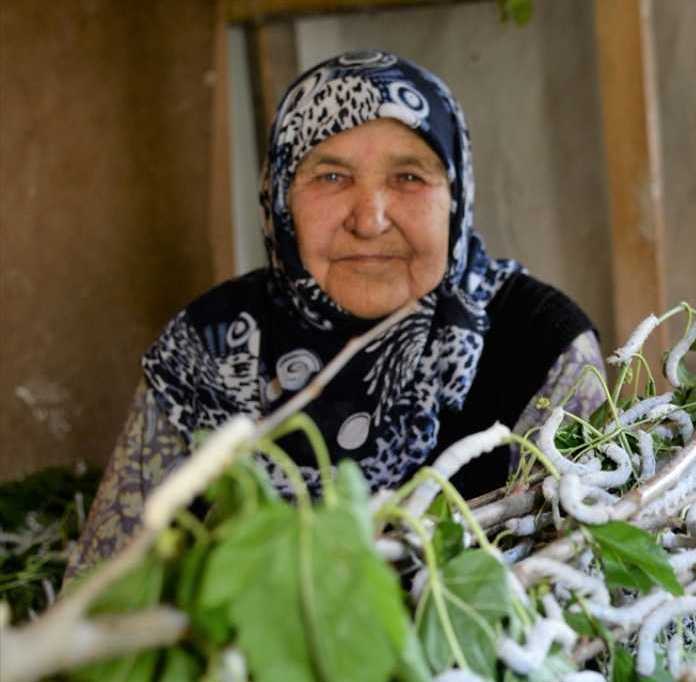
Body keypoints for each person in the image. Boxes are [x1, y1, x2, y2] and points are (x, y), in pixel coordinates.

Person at [68, 50, 606, 579]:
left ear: (456, 196)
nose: (369, 220)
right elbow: (104, 592)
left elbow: (579, 594)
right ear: (281, 199)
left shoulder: (541, 347)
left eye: (409, 177)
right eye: (330, 177)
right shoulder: (206, 352)